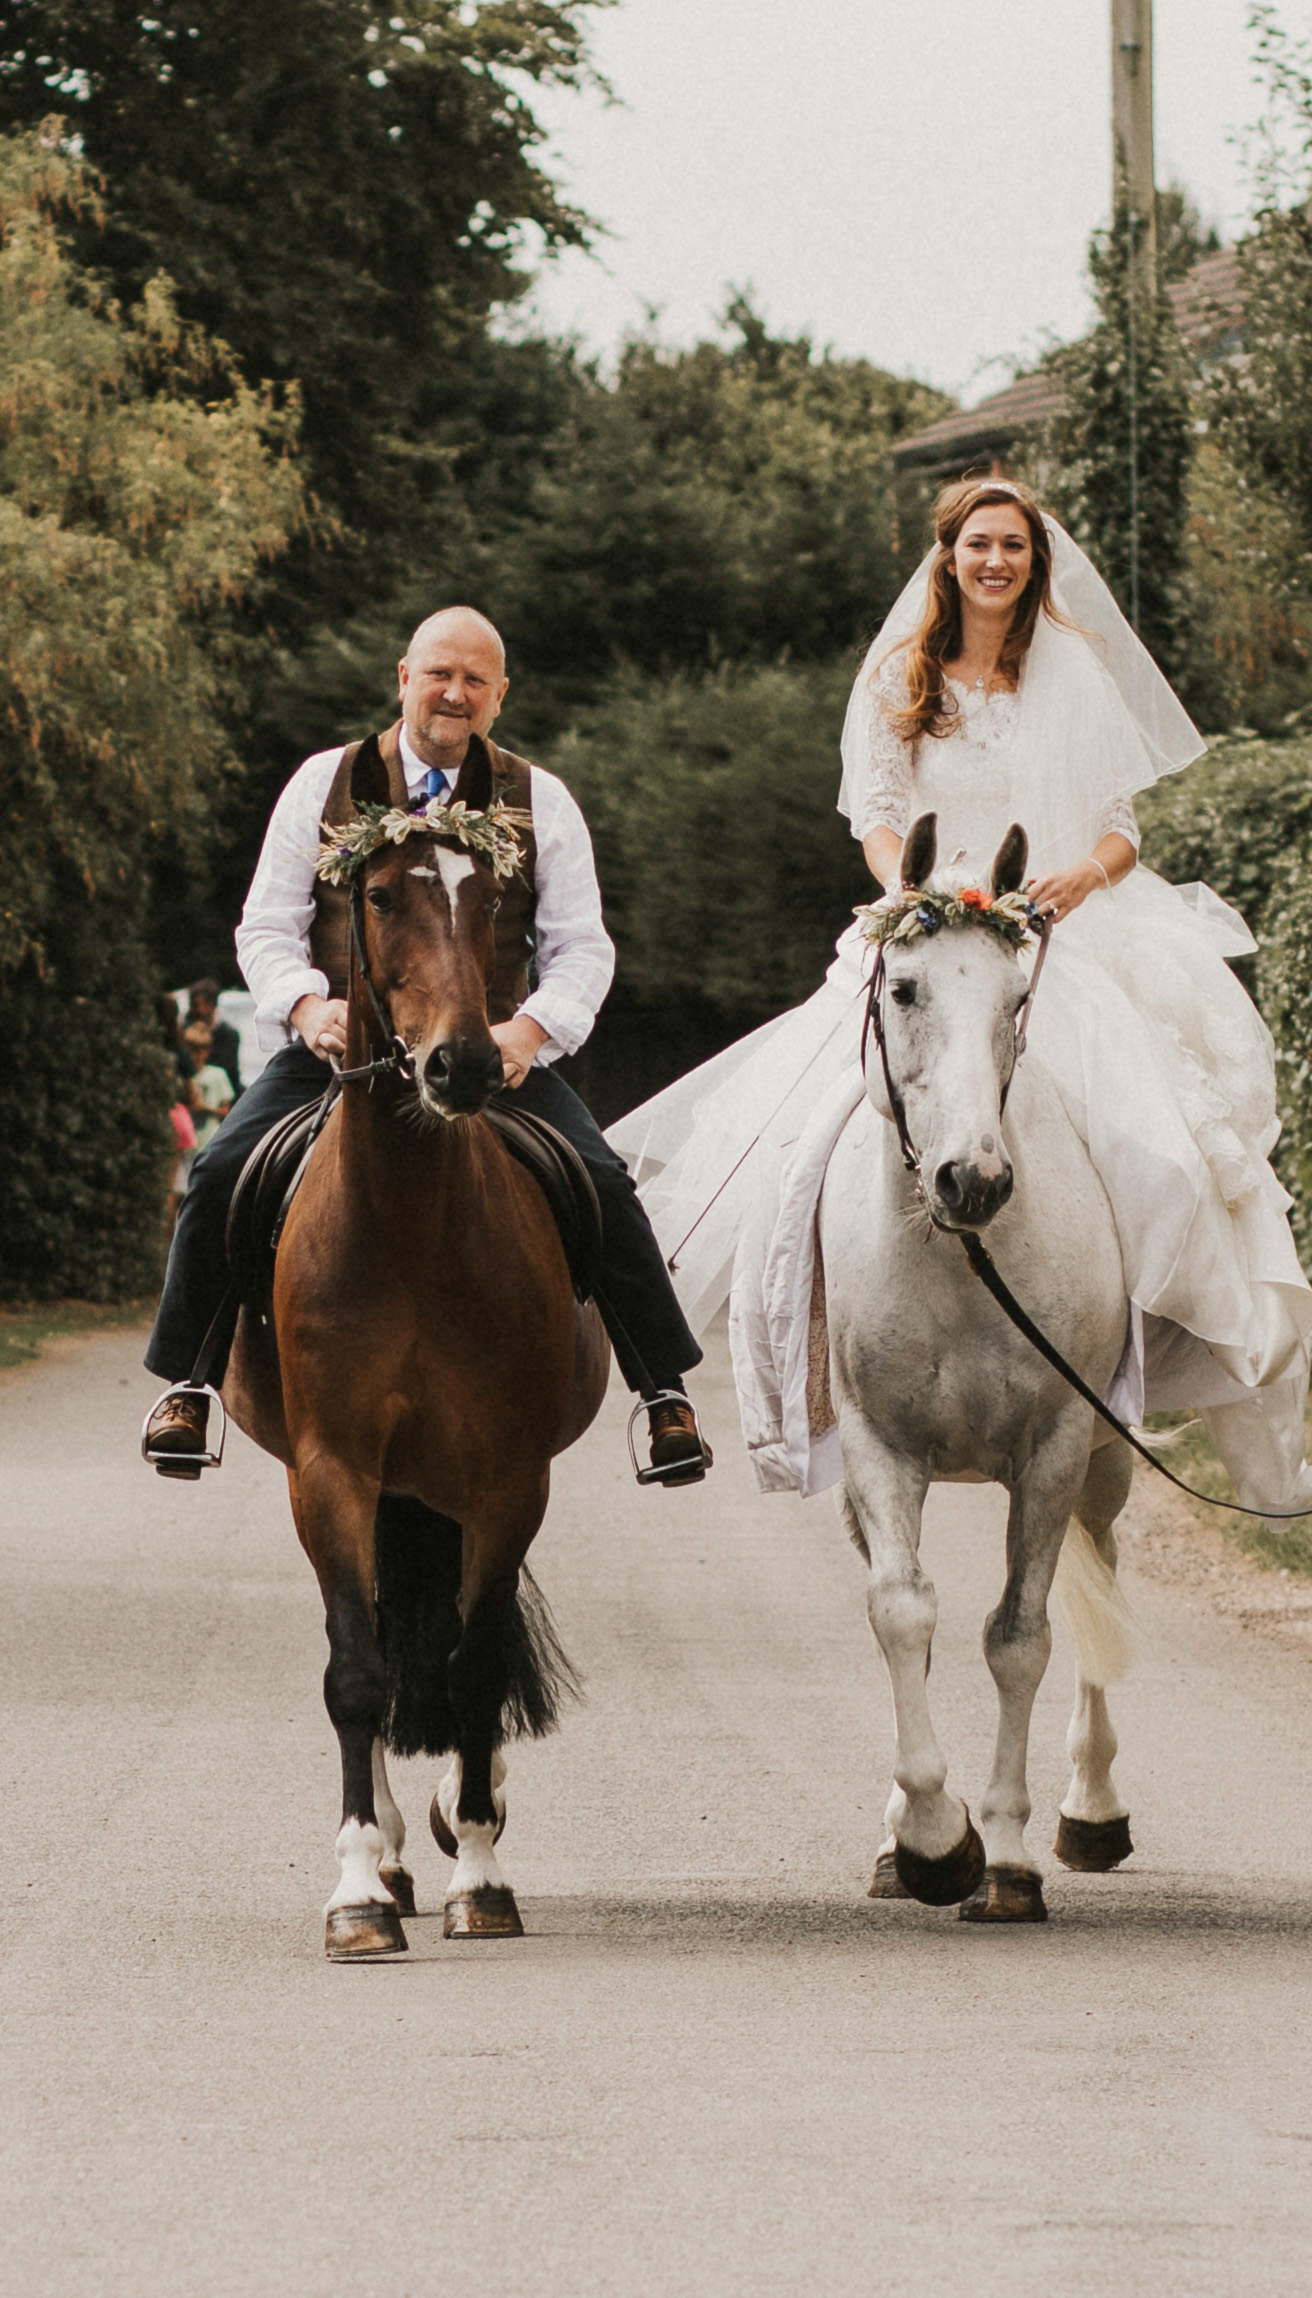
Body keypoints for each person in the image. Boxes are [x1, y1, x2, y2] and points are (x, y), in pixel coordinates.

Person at [610, 477, 1312, 1515]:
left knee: (1156, 1146)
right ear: (947, 559)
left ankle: (1124, 1354)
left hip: (1047, 932)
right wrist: (912, 893)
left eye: (1013, 548)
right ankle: (807, 1366)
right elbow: (880, 814)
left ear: (1034, 562)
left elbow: (1121, 826)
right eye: (978, 545)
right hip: (929, 923)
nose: (995, 562)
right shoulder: (904, 674)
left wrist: (1082, 877)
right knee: (788, 1147)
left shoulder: (1070, 670)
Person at [142, 605, 711, 1485]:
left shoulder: (540, 798)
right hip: (342, 1047)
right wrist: (305, 1009)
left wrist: (528, 1031)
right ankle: (190, 1380)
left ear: (499, 696)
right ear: (403, 679)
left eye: (475, 680)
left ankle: (661, 1391)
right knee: (222, 1171)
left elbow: (582, 946)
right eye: (439, 674)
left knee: (600, 1181)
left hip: (486, 1053)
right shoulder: (321, 784)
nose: (455, 692)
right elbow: (266, 926)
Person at [185, 980, 243, 1101]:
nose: (192, 1010)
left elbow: (229, 1073)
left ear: (211, 1005)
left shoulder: (228, 1035)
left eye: (196, 1005)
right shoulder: (185, 1029)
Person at [181, 1019, 234, 1149]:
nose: (196, 1056)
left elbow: (226, 1112)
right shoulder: (182, 1076)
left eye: (201, 1050)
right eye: (192, 1051)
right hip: (187, 1143)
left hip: (209, 1141)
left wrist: (203, 1107)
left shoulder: (217, 1074)